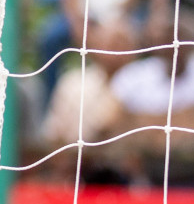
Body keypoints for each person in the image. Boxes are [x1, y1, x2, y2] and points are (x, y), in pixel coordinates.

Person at [110, 28, 194, 187]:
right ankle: (137, 188)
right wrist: (193, 117)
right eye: (169, 42)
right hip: (148, 160)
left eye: (182, 41)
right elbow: (113, 120)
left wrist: (155, 123)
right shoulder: (134, 76)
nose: (176, 49)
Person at [38, 21, 138, 185]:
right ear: (95, 44)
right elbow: (54, 136)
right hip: (77, 177)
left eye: (122, 42)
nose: (116, 49)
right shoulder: (73, 85)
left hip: (130, 183)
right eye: (111, 42)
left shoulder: (145, 88)